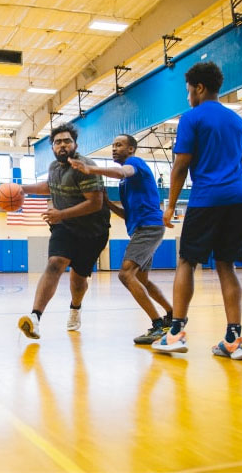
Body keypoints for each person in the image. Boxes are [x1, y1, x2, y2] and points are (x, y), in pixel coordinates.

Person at [152, 61, 242, 359]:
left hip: (206, 200)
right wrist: (232, 186)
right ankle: (234, 340)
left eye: (188, 91)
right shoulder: (239, 122)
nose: (188, 97)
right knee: (227, 265)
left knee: (186, 261)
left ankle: (175, 333)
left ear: (199, 88)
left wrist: (170, 205)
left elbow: (181, 165)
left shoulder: (192, 118)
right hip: (240, 201)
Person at [69, 134, 173, 344]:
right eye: (113, 145)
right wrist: (107, 203)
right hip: (143, 227)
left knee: (125, 275)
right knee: (141, 279)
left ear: (131, 149)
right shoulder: (127, 184)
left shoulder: (134, 164)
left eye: (119, 145)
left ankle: (158, 325)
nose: (114, 149)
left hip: (149, 228)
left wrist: (91, 169)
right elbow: (129, 214)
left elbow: (120, 171)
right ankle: (174, 315)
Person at [18, 122, 110, 339]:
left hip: (92, 231)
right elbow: (49, 186)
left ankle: (75, 308)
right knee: (55, 263)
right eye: (57, 142)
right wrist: (21, 188)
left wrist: (61, 214)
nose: (62, 145)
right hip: (65, 227)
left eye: (67, 141)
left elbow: (95, 203)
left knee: (78, 279)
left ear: (75, 145)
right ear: (52, 147)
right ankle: (35, 317)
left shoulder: (85, 167)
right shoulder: (54, 168)